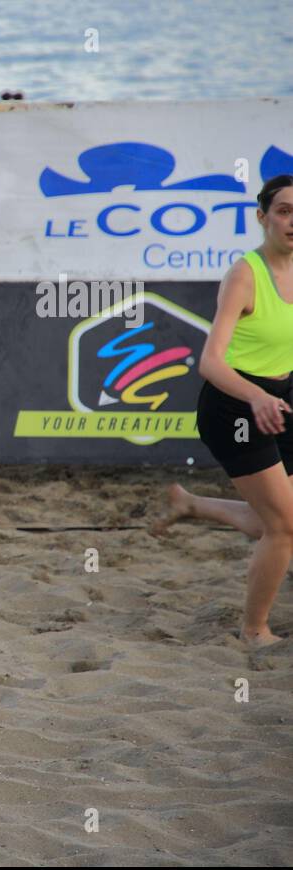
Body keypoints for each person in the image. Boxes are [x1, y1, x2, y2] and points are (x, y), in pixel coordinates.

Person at [154, 174, 293, 647]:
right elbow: (209, 362)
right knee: (283, 525)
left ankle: (191, 504)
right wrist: (256, 397)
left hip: (281, 400)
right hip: (234, 404)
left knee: (275, 517)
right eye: (284, 211)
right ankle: (254, 632)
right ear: (263, 217)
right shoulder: (245, 274)